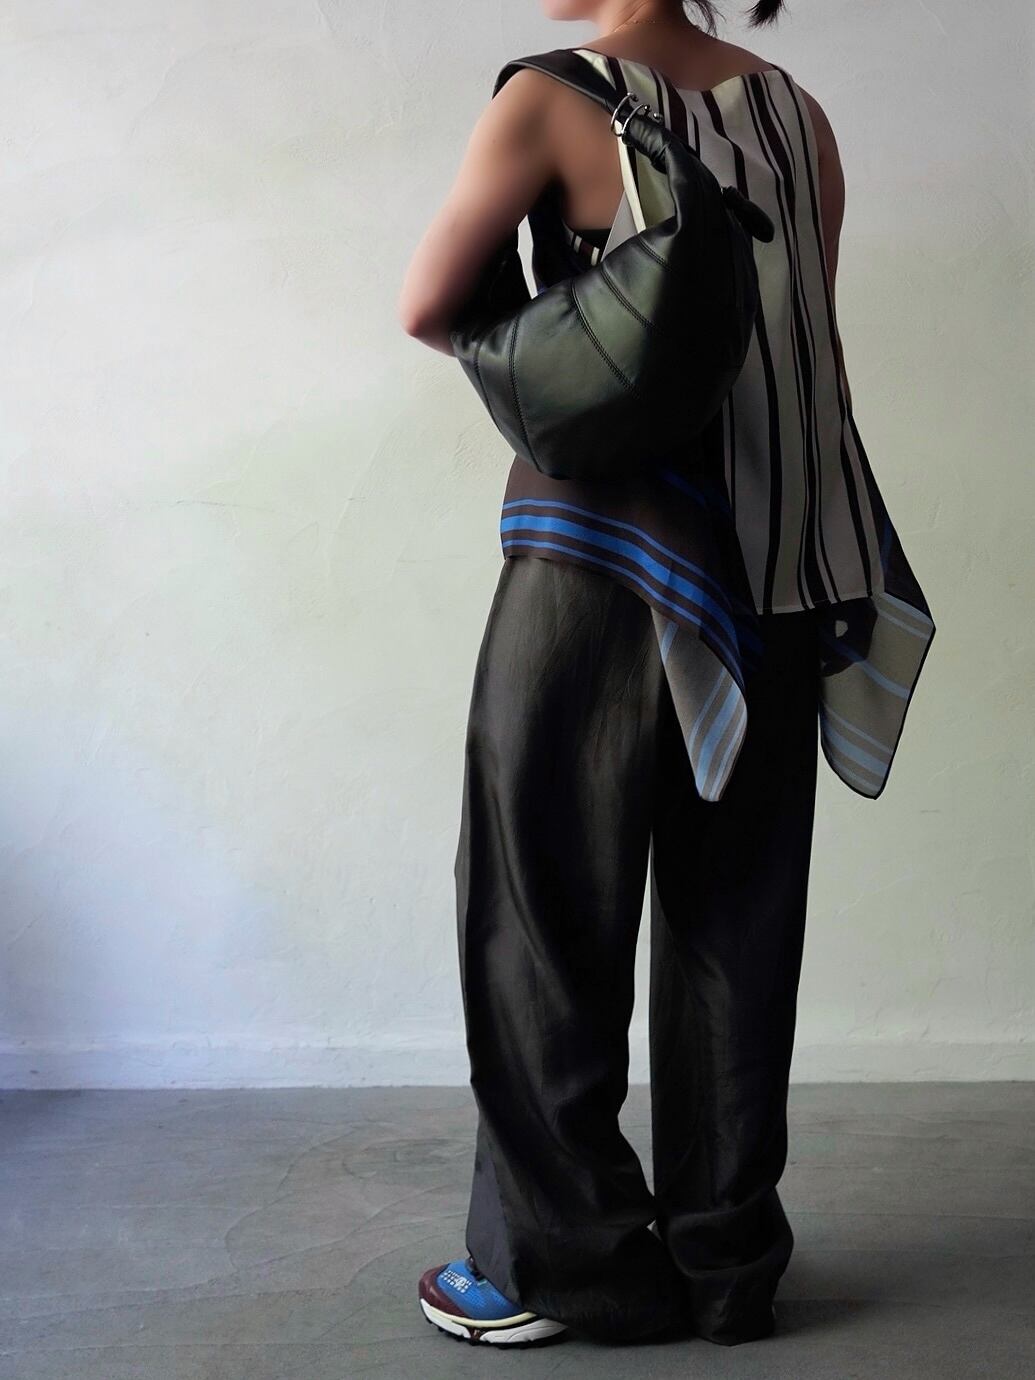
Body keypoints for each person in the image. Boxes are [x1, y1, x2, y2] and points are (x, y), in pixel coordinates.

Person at [397, 0, 935, 1351]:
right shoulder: (798, 116)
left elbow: (429, 306)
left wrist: (570, 347)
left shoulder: (551, 94)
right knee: (736, 927)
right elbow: (809, 355)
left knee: (542, 915)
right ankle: (725, 1262)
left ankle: (562, 1265)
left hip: (602, 564)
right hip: (782, 568)